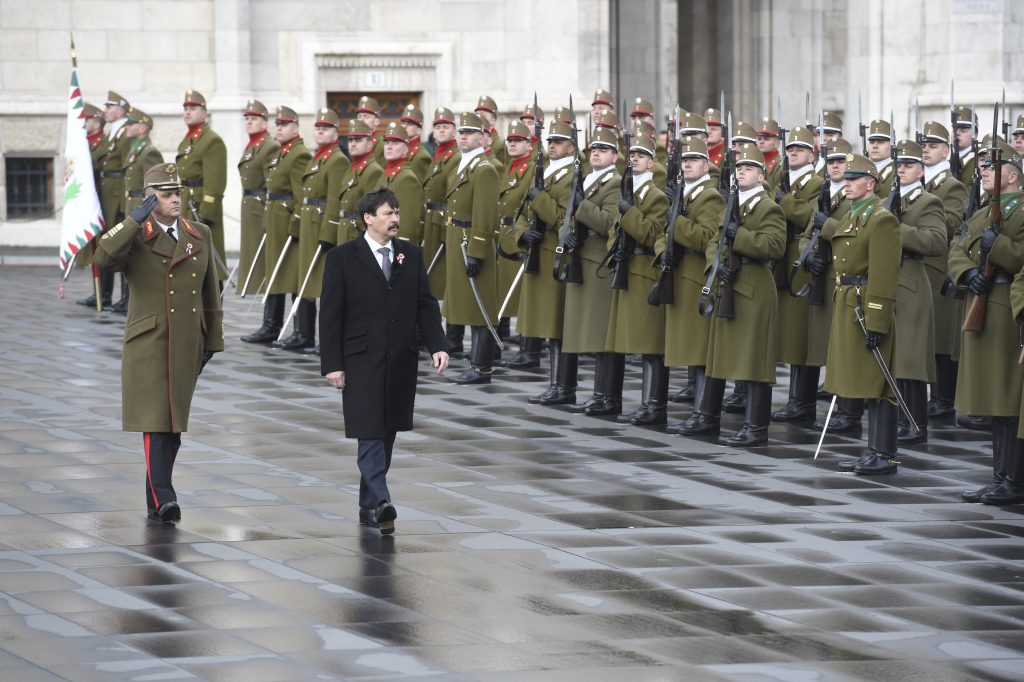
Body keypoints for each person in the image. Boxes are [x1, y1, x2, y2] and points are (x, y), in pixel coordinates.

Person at [93, 163, 223, 522]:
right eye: (166, 195)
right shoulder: (135, 235)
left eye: (178, 193)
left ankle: (155, 496)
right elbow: (102, 258)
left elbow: (211, 289)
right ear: (150, 199)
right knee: (156, 423)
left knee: (174, 425)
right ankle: (164, 496)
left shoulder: (199, 233)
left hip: (186, 340)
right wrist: (133, 221)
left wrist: (213, 336)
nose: (176, 200)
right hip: (150, 340)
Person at [320, 188, 449, 534]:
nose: (395, 219)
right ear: (368, 218)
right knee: (369, 431)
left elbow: (425, 303)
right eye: (388, 213)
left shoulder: (411, 254)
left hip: (400, 358)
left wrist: (437, 344)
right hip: (360, 358)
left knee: (387, 431)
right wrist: (332, 364)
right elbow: (330, 315)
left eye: (397, 212)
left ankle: (368, 504)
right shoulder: (343, 258)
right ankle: (381, 500)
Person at [678, 144, 786, 445]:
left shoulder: (768, 207)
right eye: (739, 168)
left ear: (762, 176)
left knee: (754, 360)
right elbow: (714, 240)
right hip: (728, 284)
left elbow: (775, 246)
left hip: (754, 287)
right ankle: (708, 417)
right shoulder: (732, 204)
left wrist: (742, 237)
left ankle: (755, 427)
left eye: (749, 168)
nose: (741, 172)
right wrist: (716, 264)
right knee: (719, 355)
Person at [951, 140, 1024, 505]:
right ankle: (999, 476)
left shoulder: (1022, 212)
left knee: (1008, 399)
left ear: (1012, 176)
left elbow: (1020, 258)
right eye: (982, 166)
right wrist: (966, 275)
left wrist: (999, 246)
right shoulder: (980, 215)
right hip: (980, 303)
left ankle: (1013, 479)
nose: (983, 171)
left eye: (992, 168)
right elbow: (956, 249)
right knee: (994, 402)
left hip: (1006, 310)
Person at [820, 154, 902, 475]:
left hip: (867, 305)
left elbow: (884, 274)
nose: (847, 183)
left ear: (871, 184)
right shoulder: (854, 215)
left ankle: (885, 454)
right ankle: (872, 450)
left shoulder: (881, 219)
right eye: (846, 179)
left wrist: (877, 319)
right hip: (849, 303)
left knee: (879, 382)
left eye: (854, 179)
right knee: (864, 381)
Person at [661, 136, 725, 431]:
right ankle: (700, 411)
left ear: (707, 165)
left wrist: (676, 220)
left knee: (701, 350)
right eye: (684, 160)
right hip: (681, 274)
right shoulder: (686, 193)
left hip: (698, 276)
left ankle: (705, 413)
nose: (687, 164)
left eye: (694, 160)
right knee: (691, 348)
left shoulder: (710, 196)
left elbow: (705, 238)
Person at [565, 126, 623, 414]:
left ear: (614, 156)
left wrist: (582, 207)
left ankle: (608, 397)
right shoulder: (587, 180)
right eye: (593, 150)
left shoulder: (614, 183)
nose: (596, 153)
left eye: (603, 150)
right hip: (583, 260)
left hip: (600, 263)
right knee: (591, 333)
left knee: (603, 335)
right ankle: (598, 395)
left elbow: (610, 222)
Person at [443, 112, 501, 384]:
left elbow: (485, 214)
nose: (463, 136)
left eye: (469, 132)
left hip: (472, 241)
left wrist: (477, 251)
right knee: (466, 302)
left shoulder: (485, 169)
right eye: (461, 131)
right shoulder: (461, 163)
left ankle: (482, 367)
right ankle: (474, 362)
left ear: (482, 137)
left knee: (481, 305)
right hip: (457, 238)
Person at [290, 108, 349, 354]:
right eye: (317, 128)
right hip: (309, 224)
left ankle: (327, 339)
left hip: (321, 227)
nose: (320, 132)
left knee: (325, 288)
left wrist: (329, 232)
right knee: (305, 281)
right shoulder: (319, 157)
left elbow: (335, 199)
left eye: (325, 128)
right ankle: (303, 333)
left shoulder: (337, 159)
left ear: (336, 133)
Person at [176, 90, 228, 283]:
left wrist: (206, 212)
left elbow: (215, 182)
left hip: (200, 207)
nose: (188, 112)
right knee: (189, 257)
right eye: (186, 108)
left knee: (207, 260)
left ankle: (213, 307)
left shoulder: (211, 140)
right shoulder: (189, 139)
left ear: (204, 113)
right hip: (187, 203)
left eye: (193, 108)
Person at [235, 99, 280, 300]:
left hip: (260, 206)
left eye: (254, 119)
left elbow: (271, 182)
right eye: (247, 118)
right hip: (250, 205)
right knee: (253, 256)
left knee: (264, 259)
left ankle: (268, 303)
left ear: (264, 122)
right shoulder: (253, 145)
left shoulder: (268, 146)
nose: (249, 122)